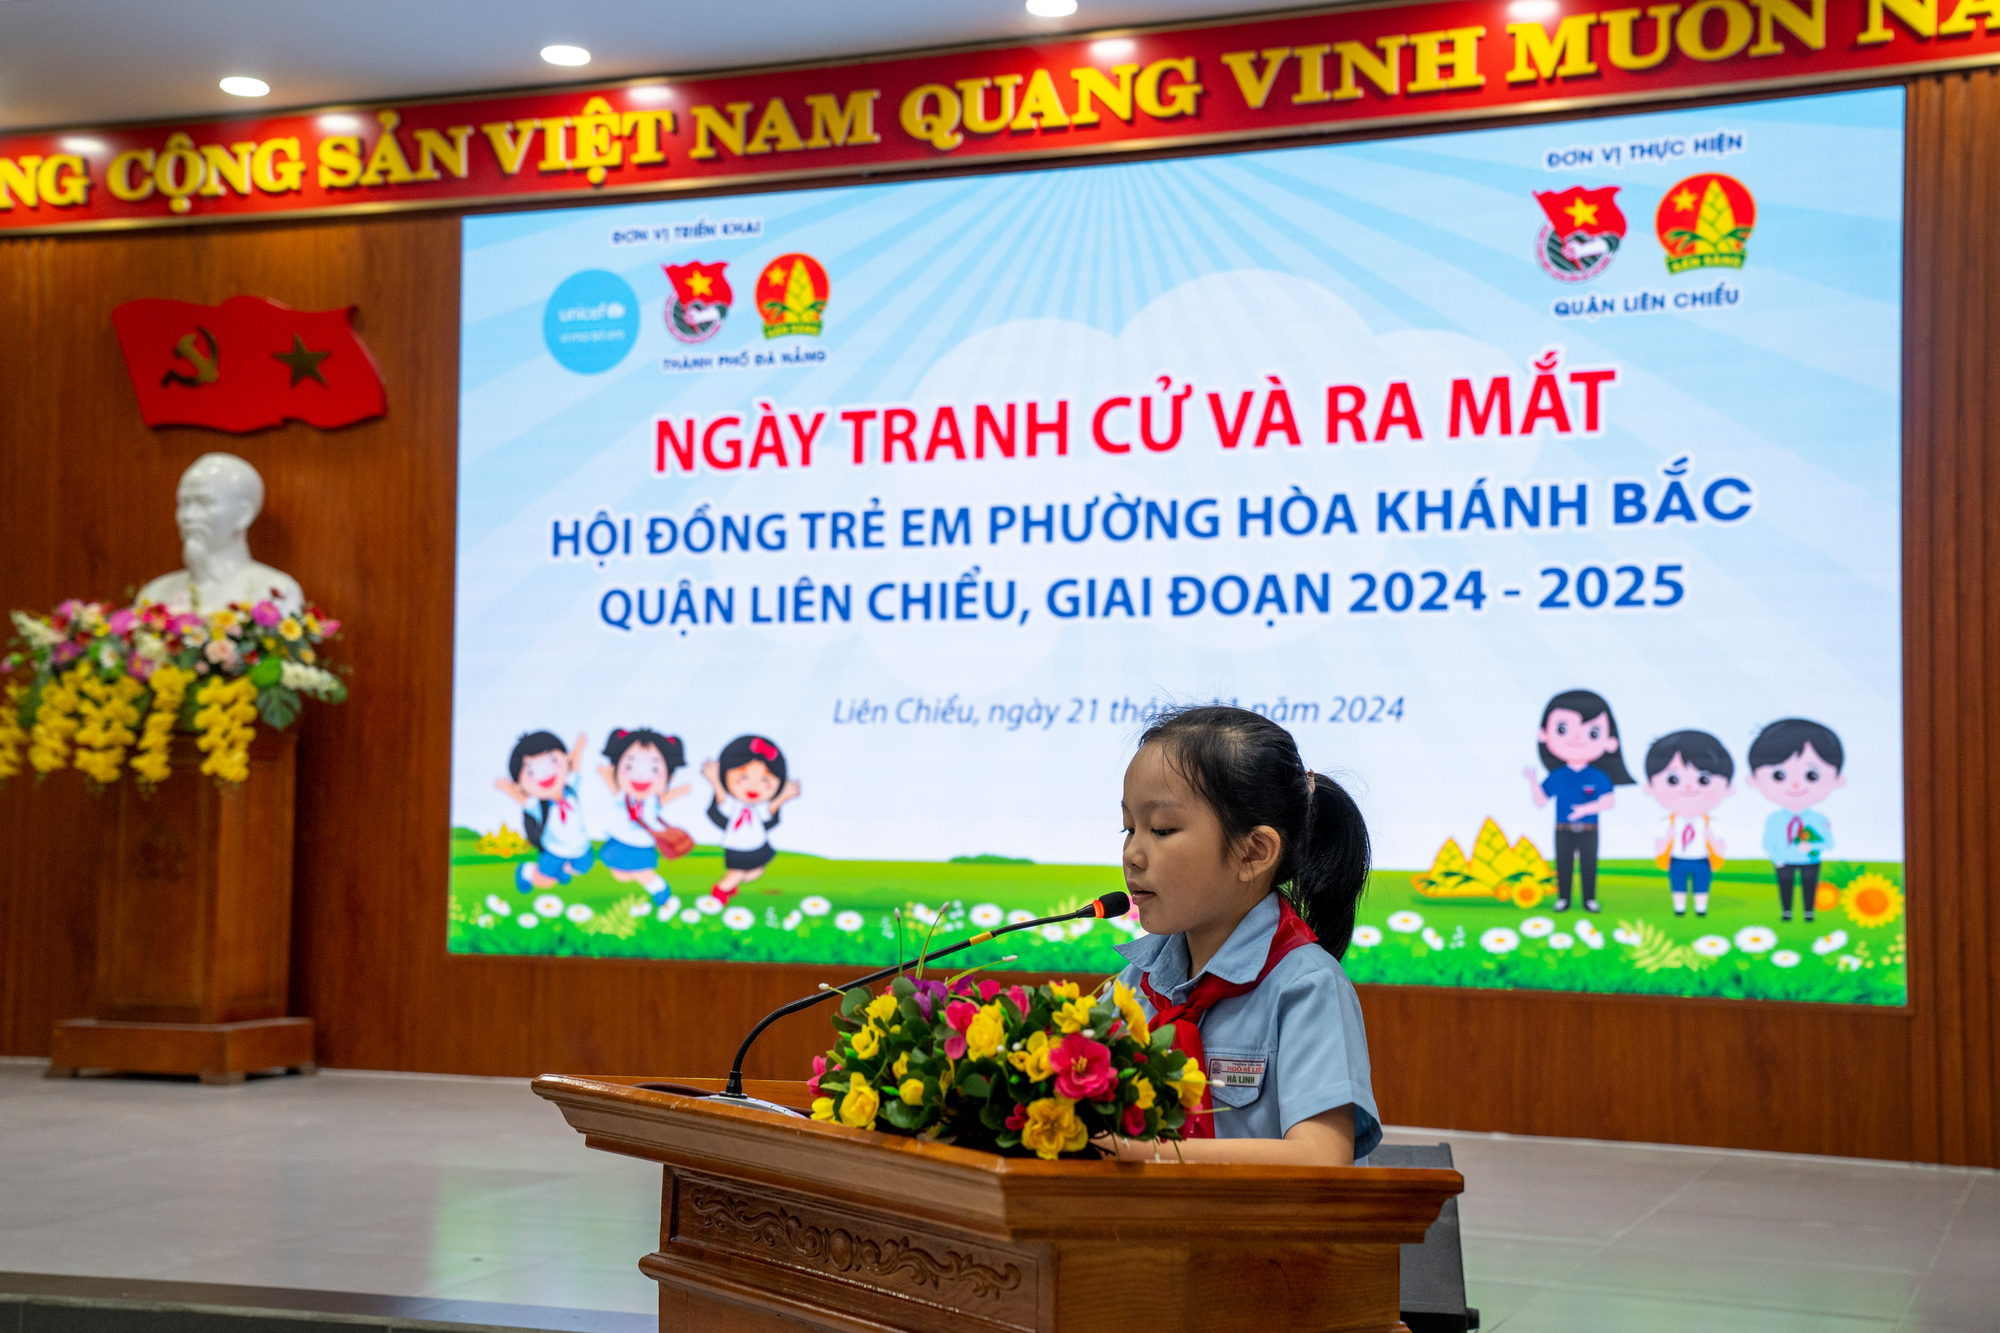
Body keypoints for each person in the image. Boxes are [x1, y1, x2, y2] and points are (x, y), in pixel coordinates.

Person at [1096, 704, 1379, 1167]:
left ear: (1254, 852)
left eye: (1161, 829)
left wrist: (1143, 1153)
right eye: (1129, 828)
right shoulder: (1136, 985)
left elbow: (1322, 1158)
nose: (1132, 854)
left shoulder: (1307, 988)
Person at [1522, 689, 1635, 913]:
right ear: (1544, 735)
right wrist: (1532, 780)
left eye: (1592, 732)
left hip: (1589, 829)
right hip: (1563, 829)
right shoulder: (1557, 776)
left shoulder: (1598, 776)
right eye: (1563, 729)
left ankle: (1589, 900)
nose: (1576, 738)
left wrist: (1585, 809)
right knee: (1563, 864)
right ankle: (1563, 899)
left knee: (1588, 864)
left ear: (1610, 742)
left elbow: (1609, 802)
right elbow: (1541, 800)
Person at [1748, 718, 1846, 922]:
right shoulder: (1774, 819)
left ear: (1837, 779)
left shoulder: (1818, 819)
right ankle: (1787, 913)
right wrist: (1777, 859)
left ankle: (1809, 913)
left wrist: (1811, 846)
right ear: (1754, 779)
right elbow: (1768, 842)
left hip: (1810, 860)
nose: (1795, 785)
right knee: (1785, 886)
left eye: (1811, 775)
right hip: (1783, 861)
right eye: (1779, 775)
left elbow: (1829, 843)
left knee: (1810, 886)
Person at [702, 734, 802, 904]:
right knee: (737, 871)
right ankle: (720, 891)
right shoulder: (734, 805)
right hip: (738, 846)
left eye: (765, 780)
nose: (754, 786)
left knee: (757, 871)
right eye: (743, 777)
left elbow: (770, 811)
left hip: (758, 844)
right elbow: (722, 801)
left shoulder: (759, 808)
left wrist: (784, 796)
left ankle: (730, 885)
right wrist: (715, 780)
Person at [1643, 730, 1733, 918]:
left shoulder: (1710, 823)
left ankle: (1701, 909)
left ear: (1728, 787)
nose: (1689, 787)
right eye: (1673, 779)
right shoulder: (1668, 823)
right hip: (1677, 858)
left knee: (1702, 886)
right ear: (1650, 787)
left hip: (1701, 859)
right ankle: (1679, 908)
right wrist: (1664, 844)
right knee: (1678, 885)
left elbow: (1719, 844)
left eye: (1703, 779)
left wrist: (1713, 844)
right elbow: (1660, 843)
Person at [597, 728, 691, 906]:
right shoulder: (624, 797)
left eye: (654, 769)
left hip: (641, 843)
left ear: (669, 775)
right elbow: (614, 789)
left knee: (642, 873)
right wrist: (607, 776)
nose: (640, 775)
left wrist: (678, 791)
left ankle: (662, 894)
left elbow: (664, 799)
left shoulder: (652, 800)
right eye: (629, 767)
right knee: (619, 874)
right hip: (620, 839)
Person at [495, 730, 594, 892]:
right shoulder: (539, 805)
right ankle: (526, 870)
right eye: (531, 771)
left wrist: (579, 747)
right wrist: (508, 789)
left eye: (553, 760)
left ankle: (562, 870)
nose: (545, 773)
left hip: (581, 847)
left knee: (584, 867)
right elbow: (521, 799)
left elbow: (575, 767)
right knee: (545, 882)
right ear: (520, 784)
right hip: (554, 850)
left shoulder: (570, 790)